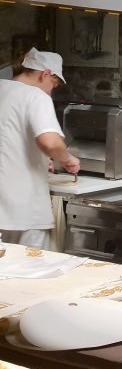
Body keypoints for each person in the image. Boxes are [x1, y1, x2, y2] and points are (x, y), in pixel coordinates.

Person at [0, 48, 80, 249]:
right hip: (24, 212)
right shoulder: (36, 96)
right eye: (53, 84)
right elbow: (50, 142)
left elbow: (10, 137)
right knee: (32, 275)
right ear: (45, 74)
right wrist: (66, 158)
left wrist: (43, 158)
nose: (51, 90)